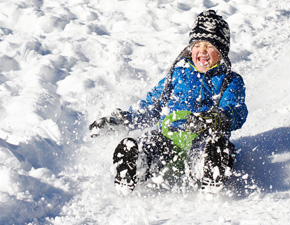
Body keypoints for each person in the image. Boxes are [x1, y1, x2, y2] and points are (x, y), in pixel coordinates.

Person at [89, 10, 248, 193]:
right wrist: (121, 119)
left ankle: (209, 168)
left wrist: (218, 118)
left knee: (217, 145)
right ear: (190, 49)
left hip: (203, 135)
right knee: (150, 140)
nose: (202, 51)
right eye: (197, 45)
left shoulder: (230, 80)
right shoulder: (177, 75)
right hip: (169, 136)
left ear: (221, 52)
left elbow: (236, 109)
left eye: (209, 46)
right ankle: (136, 165)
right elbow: (151, 107)